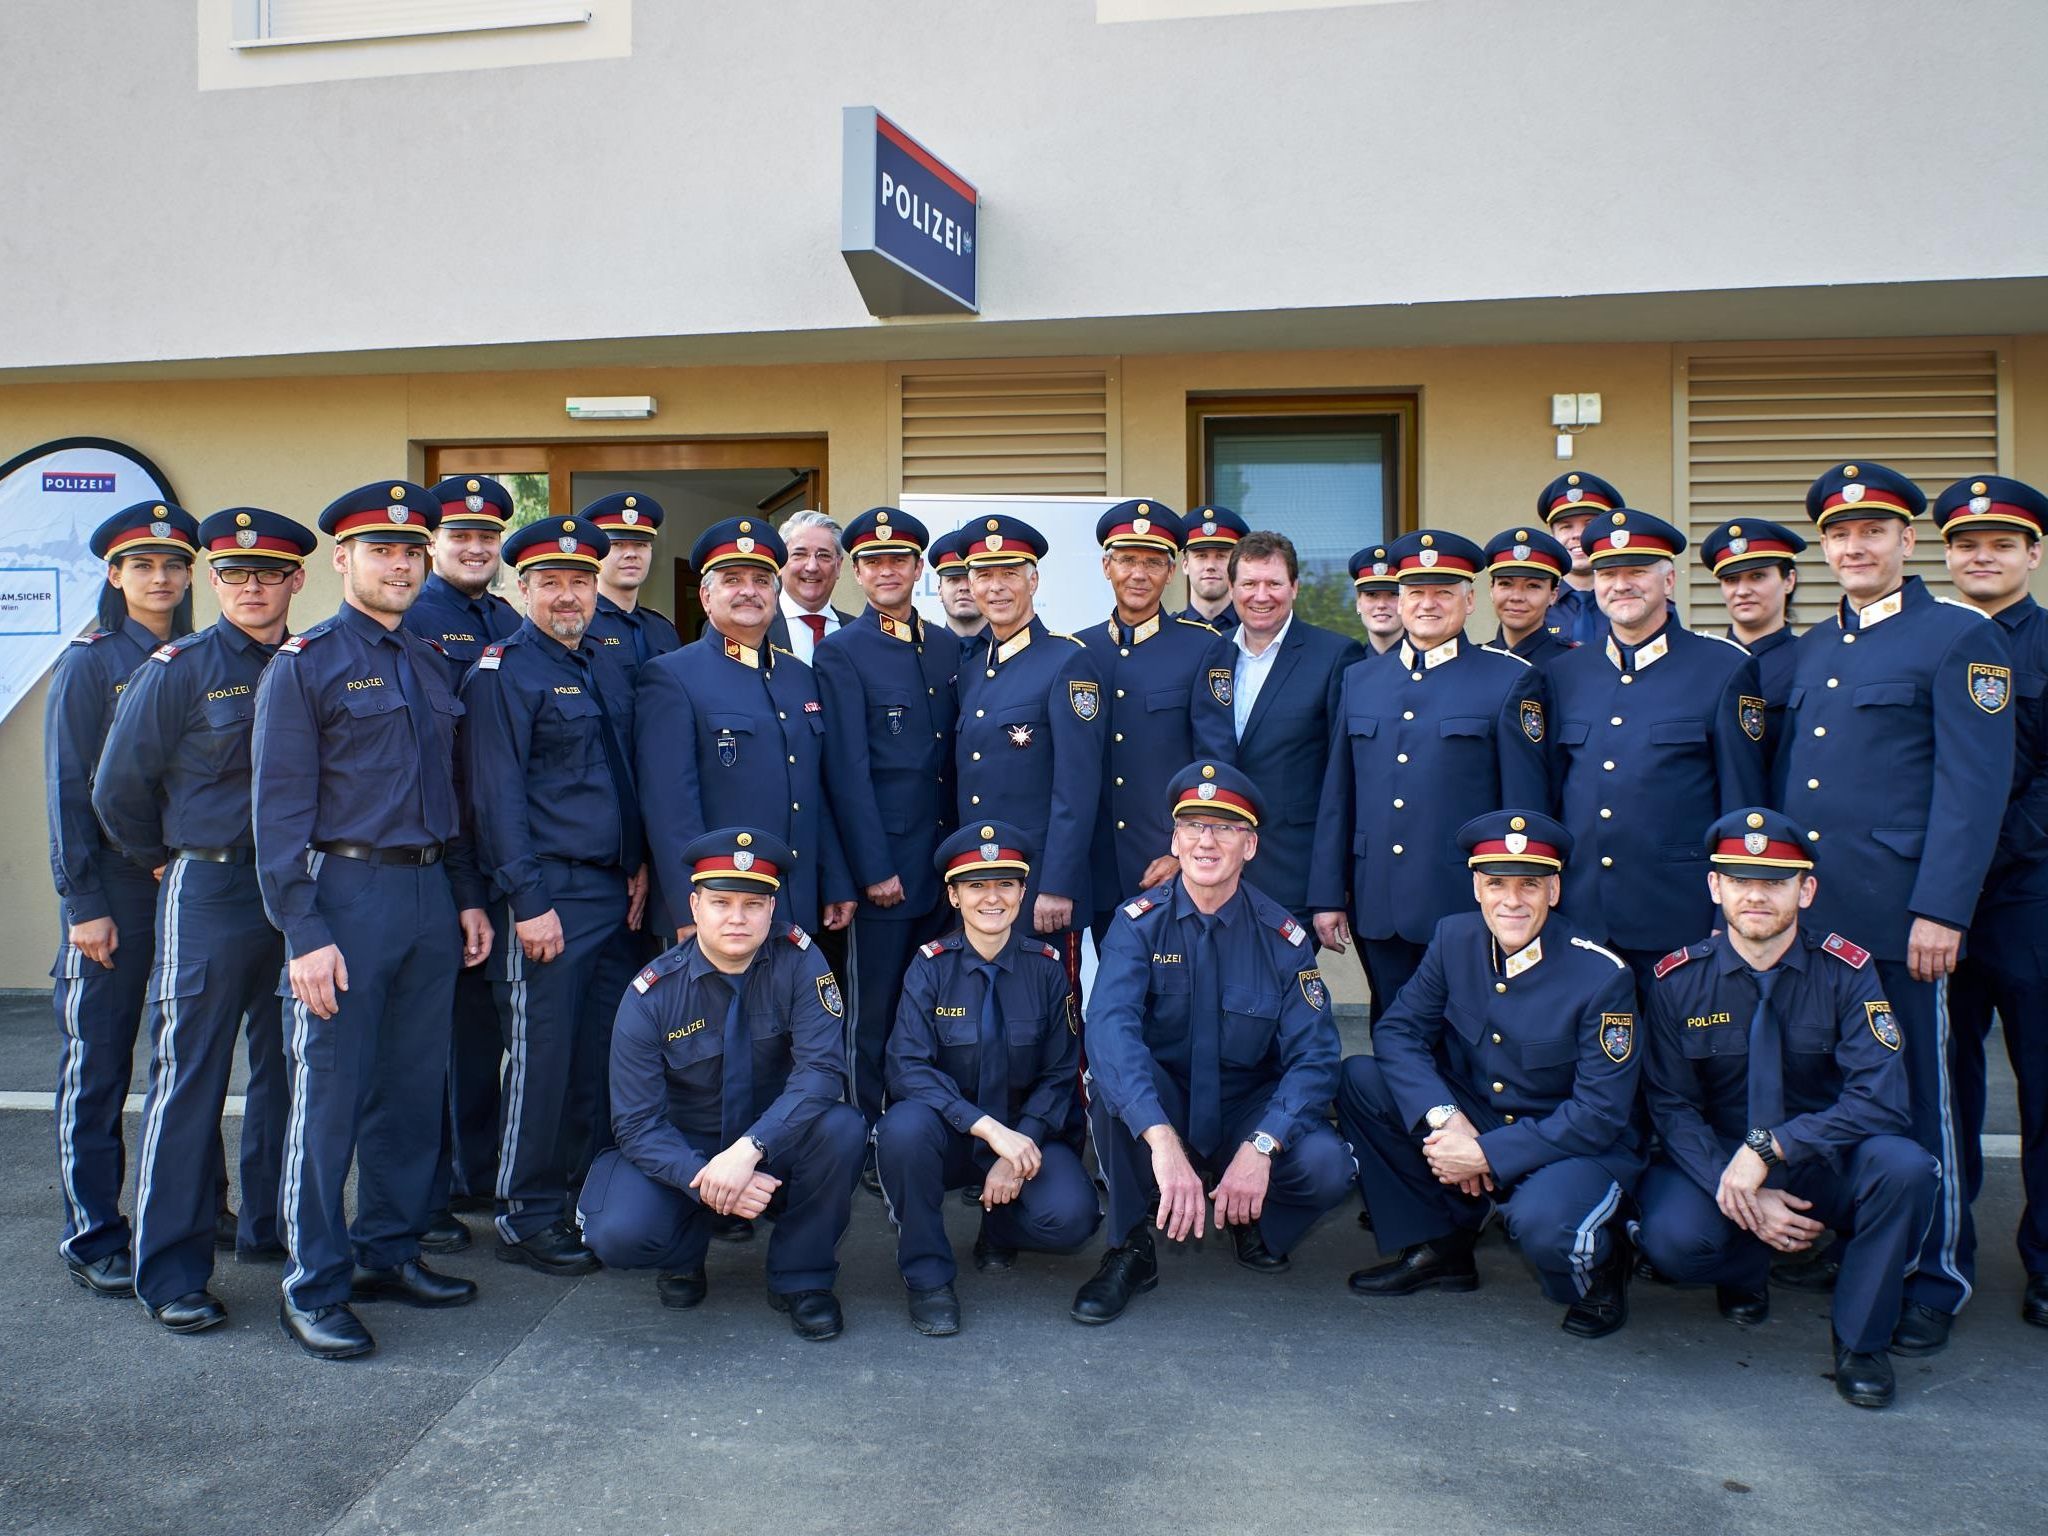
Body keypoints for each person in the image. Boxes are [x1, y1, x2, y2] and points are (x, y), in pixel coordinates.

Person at [1773, 461, 2015, 1356]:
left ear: (1909, 541)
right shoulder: (1815, 649)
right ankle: (1859, 1242)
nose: (1854, 545)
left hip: (1904, 922)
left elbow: (1973, 792)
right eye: (1839, 533)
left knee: (1925, 1102)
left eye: (1873, 530)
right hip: (1816, 924)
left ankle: (1936, 1274)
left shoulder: (1959, 638)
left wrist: (1943, 911)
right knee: (1838, 1094)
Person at [253, 480, 493, 1360]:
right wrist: (304, 934)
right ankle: (312, 1283)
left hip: (430, 896)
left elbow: (453, 797)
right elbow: (276, 817)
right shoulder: (303, 663)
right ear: (344, 560)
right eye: (380, 550)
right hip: (346, 899)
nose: (399, 563)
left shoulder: (431, 660)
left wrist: (466, 893)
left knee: (409, 1091)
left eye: (410, 552)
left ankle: (387, 1253)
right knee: (329, 1100)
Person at [1637, 809, 1938, 1409]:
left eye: (1774, 881)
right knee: (1672, 1241)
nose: (1756, 895)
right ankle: (1746, 1266)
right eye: (1739, 879)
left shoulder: (1848, 973)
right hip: (1720, 1158)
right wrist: (1741, 1186)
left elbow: (1881, 1098)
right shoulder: (1676, 981)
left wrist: (1772, 1147)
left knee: (1904, 1168)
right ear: (1715, 887)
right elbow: (1670, 1107)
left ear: (1806, 890)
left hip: (1817, 1155)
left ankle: (1861, 1342)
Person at [93, 508, 304, 1333]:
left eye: (269, 574)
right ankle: (172, 1270)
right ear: (214, 584)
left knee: (291, 1072)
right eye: (235, 575)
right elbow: (116, 789)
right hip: (211, 892)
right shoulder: (178, 667)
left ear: (296, 581)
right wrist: (165, 857)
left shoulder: (309, 661)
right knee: (191, 1082)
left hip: (297, 895)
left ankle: (271, 1229)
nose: (252, 588)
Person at [1339, 811, 1642, 1338]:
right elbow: (1398, 1032)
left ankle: (1605, 1265)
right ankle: (1444, 1246)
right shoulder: (1455, 938)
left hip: (1570, 1142)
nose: (1512, 900)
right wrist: (1448, 1119)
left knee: (1547, 1229)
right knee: (1362, 1081)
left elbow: (1599, 1114)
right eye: (1496, 883)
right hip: (1479, 1115)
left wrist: (1487, 1155)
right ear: (1476, 886)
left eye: (1530, 885)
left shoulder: (1600, 976)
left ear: (1555, 890)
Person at [1075, 763, 1351, 1325]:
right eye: (1194, 826)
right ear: (1174, 840)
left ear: (1249, 845)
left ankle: (1251, 1215)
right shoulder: (1136, 925)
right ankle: (1130, 1245)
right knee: (1112, 1082)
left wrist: (1263, 1145)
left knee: (1325, 1164)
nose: (1207, 841)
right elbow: (1110, 1028)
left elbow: (1316, 1056)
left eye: (1225, 828)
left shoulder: (1284, 939)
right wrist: (1160, 1140)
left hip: (1244, 1107)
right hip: (1169, 1100)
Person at [576, 829, 865, 1340]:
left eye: (753, 904)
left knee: (842, 1128)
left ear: (772, 910)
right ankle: (684, 1256)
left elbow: (821, 1072)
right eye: (721, 902)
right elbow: (637, 1123)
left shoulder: (801, 962)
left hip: (772, 1141)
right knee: (618, 1233)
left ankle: (803, 1277)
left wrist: (750, 1150)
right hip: (684, 1149)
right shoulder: (651, 995)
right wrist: (709, 1175)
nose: (737, 917)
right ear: (694, 904)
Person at [462, 515, 647, 1279]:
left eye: (579, 580)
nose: (567, 595)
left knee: (599, 1055)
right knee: (540, 1060)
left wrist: (638, 867)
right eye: (550, 582)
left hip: (615, 892)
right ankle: (524, 1211)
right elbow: (496, 800)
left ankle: (581, 1190)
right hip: (550, 894)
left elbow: (623, 774)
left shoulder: (605, 662)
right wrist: (529, 901)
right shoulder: (504, 672)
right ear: (521, 589)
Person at [46, 500, 198, 1298]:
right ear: (115, 574)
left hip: (185, 885)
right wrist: (81, 904)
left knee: (187, 1061)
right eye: (143, 565)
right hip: (113, 891)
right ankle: (93, 1230)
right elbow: (70, 790)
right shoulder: (91, 662)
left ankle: (200, 1211)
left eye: (174, 564)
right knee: (100, 1065)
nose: (162, 577)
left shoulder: (199, 655)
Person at [1309, 530, 1552, 1025]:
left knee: (1469, 1037)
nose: (1428, 604)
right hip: (1377, 901)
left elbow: (1523, 811)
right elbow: (1338, 795)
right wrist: (1328, 896)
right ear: (1399, 601)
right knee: (1392, 1031)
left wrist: (1521, 895)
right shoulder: (1361, 679)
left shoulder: (1509, 679)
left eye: (1444, 592)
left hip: (1464, 904)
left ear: (1469, 599)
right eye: (1416, 592)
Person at [875, 822, 1100, 1335]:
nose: (992, 898)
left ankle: (999, 1227)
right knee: (902, 1132)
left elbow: (1061, 1073)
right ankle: (928, 1276)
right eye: (976, 885)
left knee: (1071, 1218)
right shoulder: (929, 967)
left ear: (1023, 892)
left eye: (1005, 884)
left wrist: (1017, 1149)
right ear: (953, 895)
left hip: (1026, 1134)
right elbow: (906, 1066)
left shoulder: (1047, 969)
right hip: (951, 1134)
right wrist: (985, 1128)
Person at [1545, 508, 1767, 980]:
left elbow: (1743, 804)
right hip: (1583, 919)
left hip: (1679, 917)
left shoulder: (1723, 669)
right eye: (1608, 573)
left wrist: (1728, 915)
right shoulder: (1563, 675)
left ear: (1669, 581)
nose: (1621, 584)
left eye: (1637, 572)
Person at [1931, 474, 2048, 1329]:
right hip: (1937, 904)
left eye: (2001, 545)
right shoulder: (1935, 642)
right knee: (1945, 1085)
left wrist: (1976, 858)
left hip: (2028, 897)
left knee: (2041, 1087)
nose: (1982, 557)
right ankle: (1946, 1242)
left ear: (2033, 555)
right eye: (1967, 546)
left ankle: (2044, 1261)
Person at [633, 517, 855, 946]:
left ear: (775, 592)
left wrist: (836, 880)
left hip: (793, 902)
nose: (748, 590)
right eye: (732, 579)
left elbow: (813, 791)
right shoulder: (672, 676)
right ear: (705, 595)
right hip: (718, 907)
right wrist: (688, 904)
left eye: (760, 579)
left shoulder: (799, 676)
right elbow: (669, 808)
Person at [811, 507, 958, 1143]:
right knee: (872, 1013)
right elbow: (845, 772)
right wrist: (873, 870)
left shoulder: (952, 647)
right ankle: (868, 1127)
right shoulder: (841, 653)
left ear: (918, 568)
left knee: (934, 1010)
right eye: (873, 562)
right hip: (889, 871)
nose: (887, 571)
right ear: (858, 575)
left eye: (899, 559)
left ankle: (922, 1125)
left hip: (950, 867)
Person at [411, 475, 522, 1243]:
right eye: (461, 535)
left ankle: (476, 1171)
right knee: (442, 1037)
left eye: (488, 537)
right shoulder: (416, 618)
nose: (476, 547)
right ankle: (439, 1187)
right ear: (434, 544)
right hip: (444, 853)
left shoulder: (508, 619)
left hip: (497, 849)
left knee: (485, 1031)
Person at [1080, 500, 1236, 945]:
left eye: (1153, 562)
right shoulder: (1078, 650)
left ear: (1172, 573)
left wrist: (1183, 852)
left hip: (1165, 865)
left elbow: (1216, 763)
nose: (1139, 573)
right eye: (1127, 560)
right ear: (1106, 566)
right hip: (1097, 865)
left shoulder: (1202, 649)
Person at [952, 515, 1103, 940]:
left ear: (1033, 581)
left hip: (1038, 885)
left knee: (1051, 1004)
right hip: (979, 881)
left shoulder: (1067, 661)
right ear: (971, 584)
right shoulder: (971, 672)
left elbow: (1077, 786)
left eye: (1009, 574)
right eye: (984, 575)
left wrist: (1058, 884)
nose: (996, 587)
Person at [1225, 530, 1367, 927]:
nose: (1261, 595)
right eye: (1249, 583)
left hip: (1294, 870)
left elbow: (1342, 781)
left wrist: (1328, 891)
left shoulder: (1336, 656)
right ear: (1232, 587)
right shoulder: (1211, 652)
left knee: (1284, 987)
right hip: (1216, 868)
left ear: (1295, 587)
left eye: (1274, 583)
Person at [1699, 517, 1806, 770]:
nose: (1742, 590)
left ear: (1789, 580)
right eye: (1731, 580)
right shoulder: (1701, 663)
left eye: (1757, 576)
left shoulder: (1811, 660)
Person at [1536, 471, 1622, 646]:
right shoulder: (1534, 603)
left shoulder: (1630, 599)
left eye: (1589, 524)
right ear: (1553, 536)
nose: (1578, 535)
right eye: (1566, 527)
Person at [1482, 525, 1577, 666]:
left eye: (1532, 586)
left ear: (1553, 595)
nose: (1517, 597)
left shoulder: (1572, 663)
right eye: (1506, 584)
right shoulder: (1475, 662)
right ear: (1492, 589)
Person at [769, 509, 853, 663]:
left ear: (838, 565)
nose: (812, 567)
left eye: (824, 555)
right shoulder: (754, 628)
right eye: (799, 554)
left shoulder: (858, 633)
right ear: (780, 564)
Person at [1176, 504, 1248, 632]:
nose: (1210, 566)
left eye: (1221, 556)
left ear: (1236, 566)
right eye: (1201, 556)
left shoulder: (1253, 631)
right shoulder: (1167, 634)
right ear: (1185, 565)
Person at [928, 530, 986, 646]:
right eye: (954, 579)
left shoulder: (1010, 649)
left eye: (972, 580)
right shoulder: (925, 650)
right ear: (939, 590)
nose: (964, 587)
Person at [1348, 543, 1404, 655]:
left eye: (1394, 594)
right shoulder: (1347, 665)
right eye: (1372, 594)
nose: (1381, 605)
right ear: (1358, 603)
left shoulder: (1424, 664)